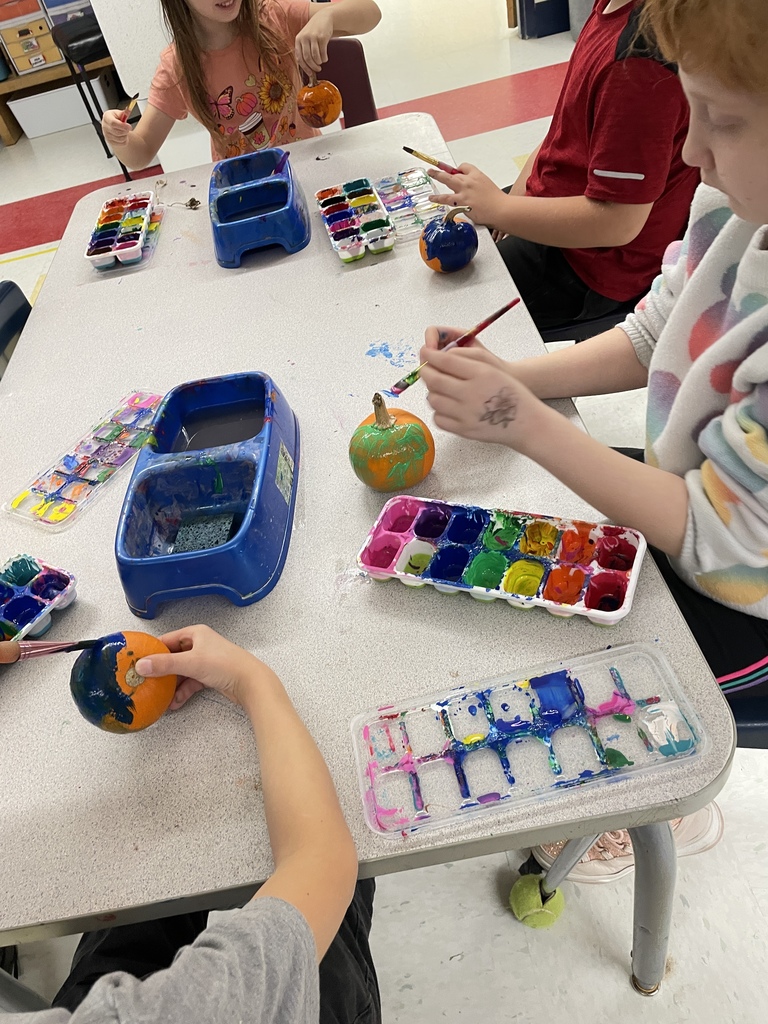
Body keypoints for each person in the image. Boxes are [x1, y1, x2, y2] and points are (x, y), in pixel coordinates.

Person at [418, 0, 768, 875]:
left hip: (745, 608)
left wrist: (526, 425)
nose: (691, 155)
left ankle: (664, 787)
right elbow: (655, 332)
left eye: (720, 121)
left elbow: (723, 538)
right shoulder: (732, 205)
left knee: (586, 652)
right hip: (690, 502)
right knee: (518, 541)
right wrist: (513, 377)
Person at [7, 625, 380, 1023]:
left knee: (135, 907)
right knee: (342, 887)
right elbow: (322, 860)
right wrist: (251, 680)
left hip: (90, 1002)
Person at [428, 0, 700, 332]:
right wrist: (517, 197)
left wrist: (501, 209)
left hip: (589, 265)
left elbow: (618, 222)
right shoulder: (610, 9)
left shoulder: (637, 64)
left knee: (442, 313)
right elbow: (565, 130)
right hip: (558, 210)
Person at [101, 0, 381, 168]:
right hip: (243, 191)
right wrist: (121, 139)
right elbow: (142, 152)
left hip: (308, 168)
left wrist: (327, 16)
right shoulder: (177, 66)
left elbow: (371, 13)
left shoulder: (272, 16)